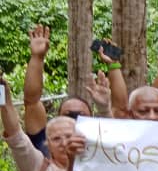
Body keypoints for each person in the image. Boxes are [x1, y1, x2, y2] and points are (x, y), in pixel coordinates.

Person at [23, 25, 127, 155]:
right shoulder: (45, 143)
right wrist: (37, 58)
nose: (75, 121)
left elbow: (120, 110)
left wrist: (114, 65)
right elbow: (31, 102)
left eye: (81, 116)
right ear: (57, 119)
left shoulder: (103, 146)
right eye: (69, 115)